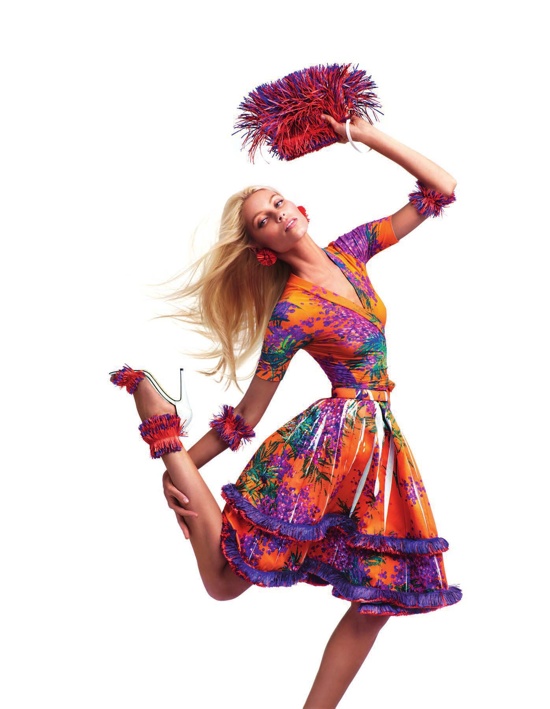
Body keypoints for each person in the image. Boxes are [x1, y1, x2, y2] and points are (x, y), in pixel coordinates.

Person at [111, 114, 461, 708]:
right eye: (263, 221)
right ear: (264, 250)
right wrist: (183, 468)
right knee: (226, 583)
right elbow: (246, 417)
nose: (277, 216)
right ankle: (163, 432)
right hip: (327, 448)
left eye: (277, 203)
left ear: (300, 207)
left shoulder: (353, 252)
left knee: (380, 597)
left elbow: (441, 189)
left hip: (379, 447)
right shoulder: (292, 312)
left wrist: (361, 135)